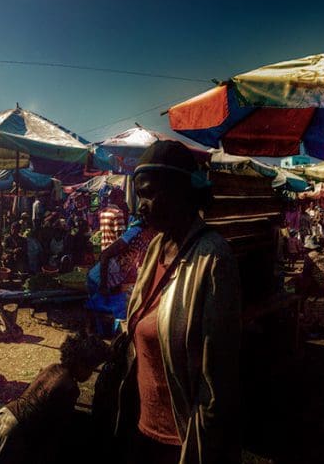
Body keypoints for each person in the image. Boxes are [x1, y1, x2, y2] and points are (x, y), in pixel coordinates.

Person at [94, 143, 243, 462]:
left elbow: (217, 376)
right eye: (139, 196)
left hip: (181, 441)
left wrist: (201, 444)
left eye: (149, 194)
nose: (141, 207)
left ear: (180, 191)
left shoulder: (213, 258)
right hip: (142, 429)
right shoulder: (156, 248)